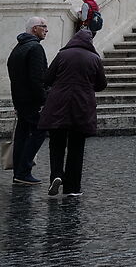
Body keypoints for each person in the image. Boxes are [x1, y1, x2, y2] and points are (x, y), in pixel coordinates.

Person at [39, 25, 106, 197]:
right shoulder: (94, 58)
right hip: (82, 105)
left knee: (56, 143)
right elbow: (101, 84)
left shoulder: (62, 54)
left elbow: (47, 78)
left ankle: (56, 175)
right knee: (77, 146)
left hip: (58, 103)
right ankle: (73, 188)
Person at [7, 18, 51, 185]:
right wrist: (43, 100)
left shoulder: (18, 48)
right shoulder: (35, 48)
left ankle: (19, 172)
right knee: (39, 132)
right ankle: (24, 170)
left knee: (22, 135)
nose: (46, 30)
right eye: (44, 26)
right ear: (34, 29)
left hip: (20, 100)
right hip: (32, 101)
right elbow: (37, 78)